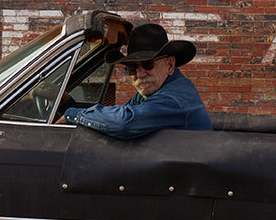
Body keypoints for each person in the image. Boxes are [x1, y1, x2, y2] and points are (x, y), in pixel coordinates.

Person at [61, 23, 212, 138]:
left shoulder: (173, 98)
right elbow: (116, 119)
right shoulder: (153, 91)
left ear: (170, 65)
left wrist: (72, 114)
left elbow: (125, 121)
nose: (139, 74)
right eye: (132, 68)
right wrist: (66, 104)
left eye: (148, 64)